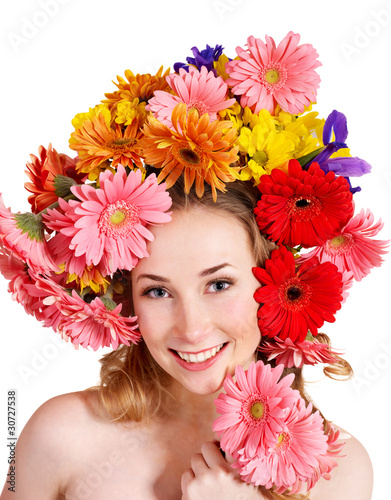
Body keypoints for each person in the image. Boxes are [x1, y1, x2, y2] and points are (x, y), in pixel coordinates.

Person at [1, 178, 373, 500]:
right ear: (127, 300)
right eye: (158, 292)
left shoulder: (339, 468)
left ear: (277, 285)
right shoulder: (58, 434)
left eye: (219, 284)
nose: (191, 329)